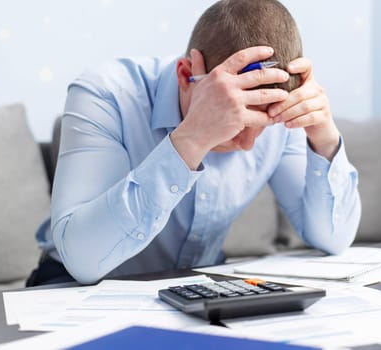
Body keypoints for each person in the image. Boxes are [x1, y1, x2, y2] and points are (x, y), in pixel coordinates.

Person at [27, 0, 361, 286]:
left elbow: (333, 239)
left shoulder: (276, 110)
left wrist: (325, 139)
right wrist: (192, 138)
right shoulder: (107, 93)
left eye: (261, 124)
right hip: (75, 286)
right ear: (186, 75)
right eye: (235, 118)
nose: (248, 144)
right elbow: (83, 261)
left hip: (194, 285)